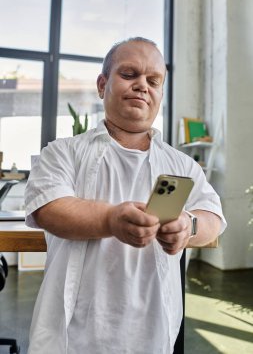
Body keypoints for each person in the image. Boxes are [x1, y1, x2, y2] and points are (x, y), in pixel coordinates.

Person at [25, 37, 226, 354]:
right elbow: (49, 210)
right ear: (102, 84)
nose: (142, 86)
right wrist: (110, 219)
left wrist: (190, 225)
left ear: (160, 93)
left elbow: (213, 217)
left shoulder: (182, 165)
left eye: (153, 81)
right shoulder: (62, 153)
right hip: (70, 337)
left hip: (151, 334)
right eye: (129, 74)